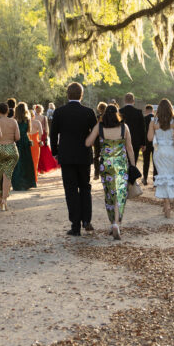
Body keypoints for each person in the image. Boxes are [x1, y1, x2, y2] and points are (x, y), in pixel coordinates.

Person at [50, 82, 97, 236]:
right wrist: (95, 151)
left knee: (70, 190)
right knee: (85, 187)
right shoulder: (89, 112)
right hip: (84, 155)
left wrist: (55, 152)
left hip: (67, 156)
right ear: (81, 95)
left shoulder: (59, 112)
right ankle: (86, 219)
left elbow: (53, 134)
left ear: (67, 94)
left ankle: (75, 225)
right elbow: (95, 134)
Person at [86, 103, 135, 241]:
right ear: (117, 114)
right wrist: (133, 165)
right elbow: (129, 147)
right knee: (120, 192)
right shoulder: (124, 127)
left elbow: (88, 143)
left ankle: (112, 222)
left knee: (109, 193)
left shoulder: (99, 127)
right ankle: (117, 223)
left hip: (105, 164)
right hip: (120, 164)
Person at [147, 99, 174, 217]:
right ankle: (168, 204)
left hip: (160, 151)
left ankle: (166, 204)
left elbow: (149, 138)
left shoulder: (153, 121)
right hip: (172, 151)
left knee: (163, 176)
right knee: (170, 175)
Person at [0, 102, 20, 210]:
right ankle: (5, 200)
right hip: (11, 149)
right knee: (7, 175)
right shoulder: (13, 121)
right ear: (8, 111)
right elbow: (18, 137)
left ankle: (0, 198)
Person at [12, 102, 37, 191]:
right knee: (26, 162)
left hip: (17, 141)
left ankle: (17, 183)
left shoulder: (14, 119)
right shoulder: (27, 119)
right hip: (25, 141)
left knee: (17, 163)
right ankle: (28, 183)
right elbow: (28, 130)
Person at [121, 94, 145, 175]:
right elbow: (142, 129)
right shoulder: (138, 112)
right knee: (133, 161)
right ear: (133, 101)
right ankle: (132, 178)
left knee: (122, 161)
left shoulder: (120, 112)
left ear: (125, 101)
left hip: (122, 140)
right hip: (135, 141)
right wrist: (143, 143)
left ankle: (124, 177)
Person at [92, 101, 107, 180]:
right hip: (106, 139)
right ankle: (104, 172)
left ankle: (96, 173)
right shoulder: (109, 118)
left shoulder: (97, 117)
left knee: (96, 156)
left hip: (97, 139)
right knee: (105, 156)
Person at [141, 104, 156, 185]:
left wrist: (142, 144)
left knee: (146, 161)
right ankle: (155, 178)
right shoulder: (156, 119)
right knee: (155, 161)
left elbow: (142, 132)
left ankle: (145, 178)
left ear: (146, 110)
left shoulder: (144, 119)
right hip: (155, 143)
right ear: (152, 110)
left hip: (146, 142)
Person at [29, 107, 42, 182]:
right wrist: (39, 139)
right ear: (33, 115)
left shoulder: (26, 122)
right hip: (35, 142)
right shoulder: (37, 122)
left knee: (28, 160)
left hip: (28, 142)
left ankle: (28, 178)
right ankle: (34, 178)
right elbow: (41, 133)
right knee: (35, 160)